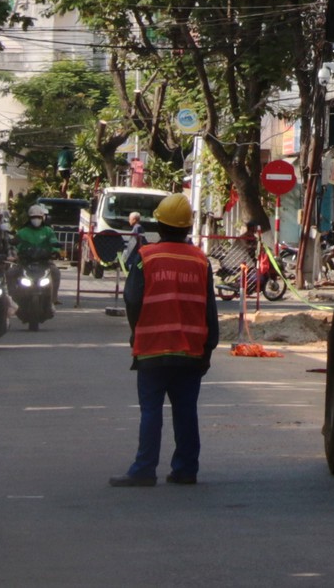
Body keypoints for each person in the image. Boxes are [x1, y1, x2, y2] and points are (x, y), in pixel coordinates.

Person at [109, 192, 218, 487]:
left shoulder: (146, 257)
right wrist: (208, 349)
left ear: (159, 225)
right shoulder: (201, 261)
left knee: (151, 411)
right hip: (191, 352)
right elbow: (210, 309)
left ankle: (144, 469)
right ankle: (186, 469)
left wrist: (136, 332)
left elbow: (132, 299)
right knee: (186, 412)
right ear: (187, 227)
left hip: (152, 349)